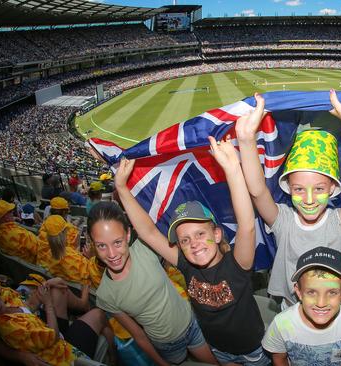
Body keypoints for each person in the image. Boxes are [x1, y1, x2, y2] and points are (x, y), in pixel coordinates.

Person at [114, 135, 269, 365]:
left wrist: (232, 169)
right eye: (184, 240)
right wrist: (121, 188)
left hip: (253, 350)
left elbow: (246, 225)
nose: (193, 243)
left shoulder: (237, 264)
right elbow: (147, 232)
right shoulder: (185, 264)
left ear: (216, 235)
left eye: (200, 234)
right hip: (218, 350)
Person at [237, 90, 341, 308]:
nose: (309, 199)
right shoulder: (284, 221)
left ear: (333, 187)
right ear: (288, 187)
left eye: (319, 188)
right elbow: (258, 191)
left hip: (332, 312)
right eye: (299, 189)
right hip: (289, 310)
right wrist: (246, 140)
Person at [89, 201, 217, 366]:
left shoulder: (146, 247)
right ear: (93, 244)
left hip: (191, 322)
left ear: (128, 235)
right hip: (167, 345)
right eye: (101, 246)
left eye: (117, 242)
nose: (112, 254)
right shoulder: (105, 295)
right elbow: (138, 335)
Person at [261, 247, 341, 365]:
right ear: (299, 292)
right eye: (311, 292)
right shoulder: (281, 324)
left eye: (332, 292)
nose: (321, 304)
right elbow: (279, 359)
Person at [0, 275, 113, 365]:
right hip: (62, 353)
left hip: (50, 335)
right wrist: (48, 303)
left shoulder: (3, 308)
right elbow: (53, 337)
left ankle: (85, 308)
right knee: (99, 314)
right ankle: (114, 355)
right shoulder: (13, 329)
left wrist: (47, 283)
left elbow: (28, 307)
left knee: (57, 287)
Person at [37, 215, 103, 288]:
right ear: (64, 233)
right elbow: (94, 275)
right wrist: (91, 257)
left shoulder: (48, 256)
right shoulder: (68, 256)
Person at [0, 200, 40, 264]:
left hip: (18, 264)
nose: (13, 213)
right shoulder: (19, 235)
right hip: (34, 262)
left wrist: (12, 219)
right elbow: (38, 248)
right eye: (10, 212)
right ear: (5, 217)